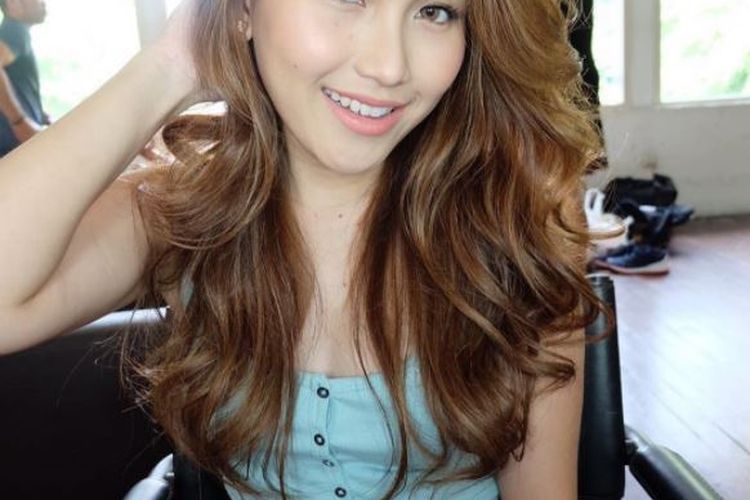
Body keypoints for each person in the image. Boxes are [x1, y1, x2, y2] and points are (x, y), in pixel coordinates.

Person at [0, 0, 605, 498]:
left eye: (435, 11)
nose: (389, 66)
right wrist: (172, 62)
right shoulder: (182, 215)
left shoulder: (516, 222)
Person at [0, 0, 48, 156]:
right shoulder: (14, 30)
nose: (43, 2)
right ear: (13, 4)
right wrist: (20, 122)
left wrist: (39, 114)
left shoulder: (14, 32)